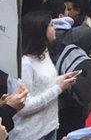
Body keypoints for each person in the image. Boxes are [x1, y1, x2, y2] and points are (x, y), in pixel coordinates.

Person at [7, 11, 78, 140]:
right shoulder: (24, 63)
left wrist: (62, 79)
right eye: (51, 25)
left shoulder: (43, 53)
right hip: (30, 134)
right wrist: (58, 88)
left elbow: (42, 84)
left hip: (49, 127)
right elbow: (23, 106)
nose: (55, 28)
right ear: (40, 31)